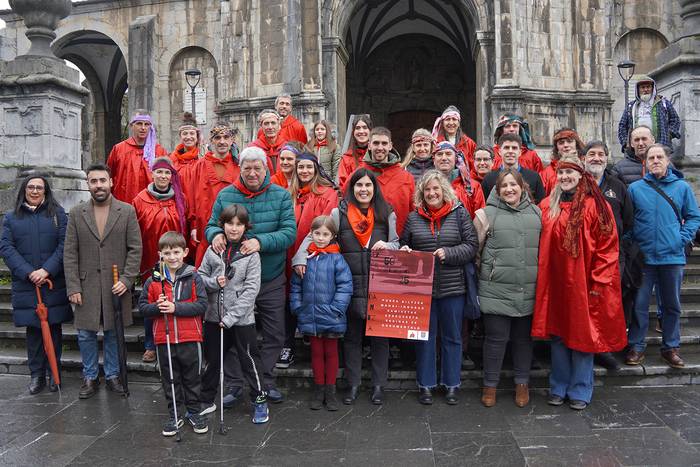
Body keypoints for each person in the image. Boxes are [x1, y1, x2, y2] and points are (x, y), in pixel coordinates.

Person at [292, 168, 399, 405]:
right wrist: (300, 258)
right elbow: (316, 235)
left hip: (379, 285)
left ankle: (379, 385)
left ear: (374, 189)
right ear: (352, 189)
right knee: (351, 338)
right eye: (358, 185)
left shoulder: (386, 212)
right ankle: (352, 384)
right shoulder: (339, 212)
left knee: (380, 339)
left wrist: (389, 247)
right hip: (347, 286)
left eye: (368, 186)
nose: (363, 190)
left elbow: (396, 243)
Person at [531, 154, 627, 410]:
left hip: (584, 283)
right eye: (561, 173)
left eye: (569, 173)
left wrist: (599, 281)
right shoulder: (546, 206)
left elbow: (608, 247)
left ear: (581, 174)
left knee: (583, 337)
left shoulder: (597, 205)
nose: (564, 177)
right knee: (559, 336)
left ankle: (580, 389)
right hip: (555, 283)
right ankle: (558, 386)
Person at [206, 146, 296, 405]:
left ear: (267, 169)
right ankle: (234, 384)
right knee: (232, 330)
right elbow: (211, 224)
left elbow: (289, 233)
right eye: (247, 168)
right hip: (233, 280)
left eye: (258, 168)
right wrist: (216, 235)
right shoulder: (226, 195)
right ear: (240, 169)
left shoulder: (280, 196)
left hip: (270, 277)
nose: (252, 173)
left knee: (275, 333)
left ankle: (265, 381)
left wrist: (261, 242)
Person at [63, 163, 143, 399]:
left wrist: (128, 280)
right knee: (85, 334)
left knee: (112, 332)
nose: (98, 185)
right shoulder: (77, 213)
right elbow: (69, 252)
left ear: (111, 182)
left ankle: (112, 375)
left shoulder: (126, 211)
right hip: (85, 285)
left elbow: (135, 249)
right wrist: (73, 286)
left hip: (115, 285)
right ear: (88, 184)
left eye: (102, 180)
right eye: (93, 181)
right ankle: (89, 376)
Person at [400, 170, 478, 405]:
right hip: (422, 290)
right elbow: (405, 244)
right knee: (424, 338)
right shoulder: (413, 218)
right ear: (421, 194)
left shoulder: (459, 214)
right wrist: (404, 252)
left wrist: (449, 253)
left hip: (453, 288)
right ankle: (426, 384)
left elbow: (471, 245)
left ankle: (451, 383)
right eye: (427, 190)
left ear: (444, 190)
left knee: (452, 337)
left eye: (436, 188)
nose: (432, 193)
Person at [625, 144, 700, 368]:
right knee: (639, 304)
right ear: (645, 162)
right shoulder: (635, 188)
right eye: (651, 158)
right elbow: (629, 220)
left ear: (668, 160)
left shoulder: (682, 188)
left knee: (671, 305)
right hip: (644, 259)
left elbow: (694, 217)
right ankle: (636, 347)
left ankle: (670, 347)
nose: (655, 160)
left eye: (659, 157)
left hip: (672, 257)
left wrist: (681, 238)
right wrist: (631, 244)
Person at [473, 169, 541, 408]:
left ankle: (522, 383)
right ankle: (489, 385)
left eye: (514, 185)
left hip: (528, 289)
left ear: (522, 187)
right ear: (497, 190)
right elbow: (475, 253)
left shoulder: (537, 213)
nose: (509, 189)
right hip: (496, 290)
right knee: (495, 340)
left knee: (523, 340)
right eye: (504, 186)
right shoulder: (485, 215)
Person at [198, 204, 270, 424]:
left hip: (240, 320)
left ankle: (260, 401)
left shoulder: (251, 255)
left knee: (249, 360)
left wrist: (229, 318)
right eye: (230, 223)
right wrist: (213, 282)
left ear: (245, 227)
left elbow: (251, 291)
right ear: (223, 225)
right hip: (213, 316)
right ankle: (206, 399)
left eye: (239, 225)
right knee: (212, 360)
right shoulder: (214, 249)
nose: (234, 229)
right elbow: (200, 277)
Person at [0, 175, 72, 394]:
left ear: (45, 191)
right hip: (27, 284)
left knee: (54, 329)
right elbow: (6, 248)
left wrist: (46, 270)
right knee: (33, 332)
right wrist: (28, 272)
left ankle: (54, 374)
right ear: (24, 190)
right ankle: (36, 375)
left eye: (39, 187)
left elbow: (64, 245)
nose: (34, 191)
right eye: (30, 187)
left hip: (52, 282)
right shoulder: (12, 218)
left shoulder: (57, 215)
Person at [138, 231, 209, 436]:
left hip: (190, 338)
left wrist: (175, 307)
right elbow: (143, 307)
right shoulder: (152, 280)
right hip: (164, 339)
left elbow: (201, 305)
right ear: (160, 254)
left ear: (185, 252)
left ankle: (194, 412)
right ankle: (175, 414)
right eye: (167, 253)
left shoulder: (194, 276)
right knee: (170, 378)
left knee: (192, 378)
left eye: (176, 252)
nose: (172, 257)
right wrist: (157, 308)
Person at [277, 152, 338, 369]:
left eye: (309, 167)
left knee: (313, 298)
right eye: (300, 167)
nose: (304, 171)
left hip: (314, 255)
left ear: (316, 169)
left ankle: (317, 349)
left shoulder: (327, 193)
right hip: (287, 254)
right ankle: (287, 345)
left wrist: (302, 255)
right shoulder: (287, 194)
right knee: (288, 299)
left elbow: (323, 227)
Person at [290, 215, 352, 411]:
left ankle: (330, 391)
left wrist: (336, 309)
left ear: (332, 236)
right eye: (317, 233)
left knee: (331, 353)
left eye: (325, 234)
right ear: (311, 234)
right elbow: (295, 287)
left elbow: (345, 286)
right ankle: (318, 389)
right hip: (310, 315)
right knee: (316, 353)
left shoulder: (337, 259)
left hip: (331, 316)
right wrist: (298, 307)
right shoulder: (306, 258)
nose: (321, 238)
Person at [583, 141, 634, 370]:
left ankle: (603, 349)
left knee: (606, 304)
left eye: (600, 154)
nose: (596, 158)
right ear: (584, 158)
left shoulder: (617, 185)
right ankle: (585, 345)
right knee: (584, 303)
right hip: (583, 256)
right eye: (591, 154)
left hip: (613, 257)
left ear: (607, 157)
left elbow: (628, 220)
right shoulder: (577, 184)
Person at [132, 157, 188, 363]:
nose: (163, 176)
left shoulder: (180, 198)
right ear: (152, 173)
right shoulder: (140, 199)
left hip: (176, 259)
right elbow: (135, 230)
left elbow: (187, 223)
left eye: (167, 173)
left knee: (176, 300)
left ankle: (176, 340)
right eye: (159, 172)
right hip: (152, 259)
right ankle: (151, 344)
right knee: (154, 301)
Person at [186, 124, 241, 266]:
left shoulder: (239, 165)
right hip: (205, 223)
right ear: (212, 141)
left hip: (234, 223)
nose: (222, 141)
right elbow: (191, 196)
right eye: (217, 138)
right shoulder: (200, 165)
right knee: (204, 266)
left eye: (226, 137)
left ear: (232, 140)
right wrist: (193, 225)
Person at [346, 127, 415, 235]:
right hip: (364, 239)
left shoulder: (406, 178)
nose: (380, 147)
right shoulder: (356, 176)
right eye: (376, 143)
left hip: (398, 240)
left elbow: (413, 211)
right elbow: (346, 206)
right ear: (369, 145)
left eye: (384, 143)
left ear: (390, 145)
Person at [106, 110, 168, 203]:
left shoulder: (159, 151)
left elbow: (167, 178)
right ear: (131, 125)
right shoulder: (119, 149)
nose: (143, 128)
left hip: (152, 204)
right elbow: (109, 176)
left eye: (147, 124)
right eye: (139, 123)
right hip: (124, 202)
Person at [618, 76, 681, 152]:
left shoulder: (664, 103)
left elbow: (675, 120)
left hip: (660, 147)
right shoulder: (631, 106)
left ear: (653, 88)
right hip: (637, 149)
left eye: (648, 87)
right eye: (642, 87)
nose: (645, 90)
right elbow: (622, 126)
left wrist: (669, 134)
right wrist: (625, 143)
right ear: (638, 90)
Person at [481, 134, 546, 204]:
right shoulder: (489, 179)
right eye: (506, 147)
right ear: (499, 151)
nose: (510, 151)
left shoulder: (534, 177)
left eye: (514, 148)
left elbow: (540, 206)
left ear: (520, 152)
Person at [433, 141, 485, 218]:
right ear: (434, 160)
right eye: (440, 154)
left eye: (448, 154)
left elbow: (480, 218)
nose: (444, 158)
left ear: (456, 158)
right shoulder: (426, 186)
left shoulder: (472, 186)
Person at [540, 128, 584, 195]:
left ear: (576, 144)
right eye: (561, 143)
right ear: (556, 147)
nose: (565, 145)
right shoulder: (546, 173)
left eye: (569, 141)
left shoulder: (587, 167)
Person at [432, 105, 477, 170]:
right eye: (447, 119)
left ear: (458, 123)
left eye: (454, 119)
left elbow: (474, 166)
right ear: (442, 123)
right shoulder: (435, 143)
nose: (451, 122)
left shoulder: (469, 143)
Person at [337, 114, 372, 188]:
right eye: (358, 128)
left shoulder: (377, 155)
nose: (361, 131)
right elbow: (343, 185)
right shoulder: (346, 158)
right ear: (353, 132)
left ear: (370, 131)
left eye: (365, 127)